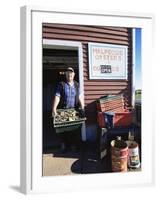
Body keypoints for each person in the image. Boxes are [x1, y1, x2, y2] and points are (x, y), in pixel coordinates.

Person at [52, 67, 85, 152]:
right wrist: (54, 108)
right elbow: (57, 96)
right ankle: (63, 144)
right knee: (63, 129)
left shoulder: (77, 85)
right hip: (63, 110)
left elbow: (80, 97)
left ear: (73, 74)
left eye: (71, 73)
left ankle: (73, 145)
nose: (69, 74)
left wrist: (82, 107)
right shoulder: (61, 84)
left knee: (74, 129)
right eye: (68, 73)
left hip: (74, 110)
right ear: (65, 74)